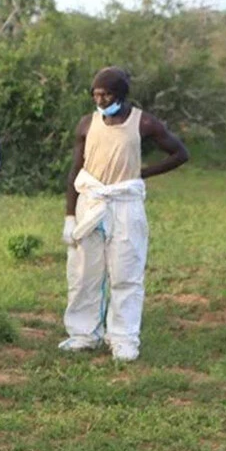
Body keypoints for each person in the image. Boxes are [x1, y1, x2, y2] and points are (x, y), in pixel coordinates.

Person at [59, 67, 188, 361]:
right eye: (96, 94)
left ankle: (123, 338)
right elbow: (75, 171)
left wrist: (143, 174)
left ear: (121, 94)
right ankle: (82, 334)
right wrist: (70, 216)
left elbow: (180, 153)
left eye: (106, 94)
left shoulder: (143, 123)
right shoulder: (87, 124)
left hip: (125, 204)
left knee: (126, 272)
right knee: (83, 273)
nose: (100, 100)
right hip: (90, 201)